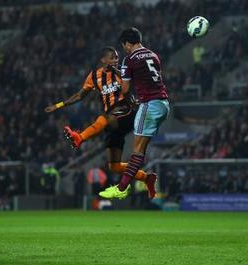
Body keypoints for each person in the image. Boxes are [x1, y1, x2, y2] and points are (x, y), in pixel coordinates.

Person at [45, 46, 157, 199]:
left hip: (127, 112)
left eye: (117, 57)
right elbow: (79, 95)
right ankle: (147, 178)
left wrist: (119, 71)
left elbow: (134, 83)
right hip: (113, 122)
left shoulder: (122, 72)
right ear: (103, 60)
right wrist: (59, 105)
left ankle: (80, 137)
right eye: (112, 57)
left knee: (106, 117)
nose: (116, 60)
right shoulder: (94, 76)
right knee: (114, 166)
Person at [99, 27, 170, 199]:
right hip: (163, 104)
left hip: (149, 105)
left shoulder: (129, 59)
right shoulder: (153, 55)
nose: (124, 49)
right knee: (140, 149)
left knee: (136, 151)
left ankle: (121, 189)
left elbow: (125, 88)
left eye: (124, 46)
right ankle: (148, 179)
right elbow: (147, 77)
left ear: (128, 43)